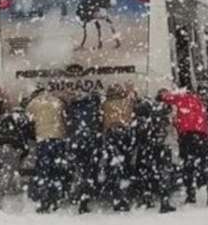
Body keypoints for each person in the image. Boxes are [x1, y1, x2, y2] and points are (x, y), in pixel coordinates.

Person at [158, 88, 208, 206]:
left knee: (188, 165)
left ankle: (191, 194)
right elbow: (205, 124)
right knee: (205, 165)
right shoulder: (199, 103)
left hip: (187, 136)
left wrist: (161, 97)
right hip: (201, 136)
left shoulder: (183, 97)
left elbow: (166, 97)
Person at [25, 88, 68, 213]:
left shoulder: (34, 102)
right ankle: (56, 198)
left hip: (43, 139)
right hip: (58, 138)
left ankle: (44, 199)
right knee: (56, 168)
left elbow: (29, 118)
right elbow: (65, 116)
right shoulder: (57, 102)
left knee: (44, 170)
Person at [132, 97, 176, 213]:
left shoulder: (141, 120)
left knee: (146, 173)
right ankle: (164, 202)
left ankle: (147, 198)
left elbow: (137, 134)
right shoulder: (161, 117)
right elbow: (165, 129)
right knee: (163, 174)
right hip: (159, 148)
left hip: (145, 148)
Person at [65, 90, 104, 214]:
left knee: (78, 170)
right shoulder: (93, 108)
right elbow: (98, 125)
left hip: (77, 143)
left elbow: (69, 124)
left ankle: (77, 194)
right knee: (89, 171)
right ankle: (85, 198)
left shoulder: (73, 108)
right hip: (89, 143)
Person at [101, 84, 136, 212]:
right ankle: (124, 197)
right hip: (124, 135)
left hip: (111, 135)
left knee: (113, 166)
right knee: (125, 165)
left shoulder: (105, 104)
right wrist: (130, 90)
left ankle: (116, 197)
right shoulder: (127, 102)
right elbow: (133, 100)